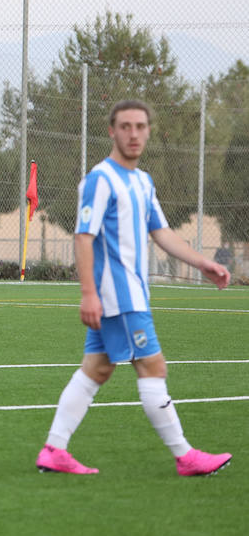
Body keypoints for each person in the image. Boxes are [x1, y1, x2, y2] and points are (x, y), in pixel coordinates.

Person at [35, 99, 232, 477]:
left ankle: (54, 450)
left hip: (129, 295)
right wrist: (89, 293)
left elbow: (161, 232)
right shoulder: (100, 179)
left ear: (148, 131)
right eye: (125, 126)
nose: (133, 134)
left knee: (96, 368)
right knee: (153, 366)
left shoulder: (143, 182)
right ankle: (185, 456)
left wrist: (202, 262)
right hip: (119, 297)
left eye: (140, 126)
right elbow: (83, 237)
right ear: (112, 131)